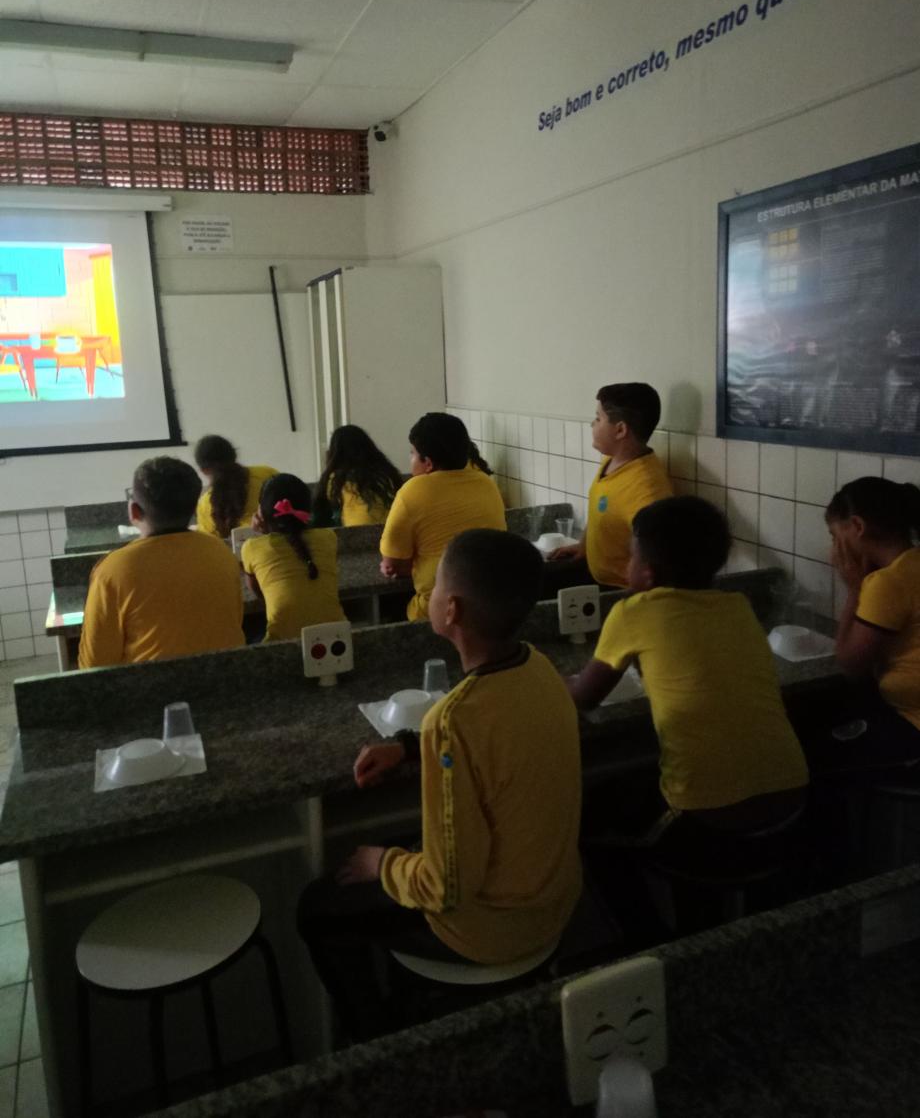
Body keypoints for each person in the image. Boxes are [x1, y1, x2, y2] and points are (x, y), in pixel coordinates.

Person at [297, 529, 582, 1040]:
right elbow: (495, 733)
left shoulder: (451, 723)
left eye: (435, 587)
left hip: (491, 929)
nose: (427, 594)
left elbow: (444, 886)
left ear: (451, 610)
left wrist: (381, 863)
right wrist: (409, 747)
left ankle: (376, 1044)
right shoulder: (539, 668)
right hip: (555, 902)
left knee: (319, 909)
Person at [570, 496, 808, 940]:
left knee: (586, 820)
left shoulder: (633, 611)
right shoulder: (738, 605)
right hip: (792, 808)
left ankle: (651, 943)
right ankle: (707, 933)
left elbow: (583, 698)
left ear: (648, 573)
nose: (626, 565)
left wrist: (550, 682)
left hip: (707, 823)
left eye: (632, 556)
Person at [78, 457, 244, 668]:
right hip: (228, 679)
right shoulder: (221, 552)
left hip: (154, 687)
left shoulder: (113, 571)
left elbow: (94, 665)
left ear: (134, 511)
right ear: (194, 508)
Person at [817, 476, 920, 768]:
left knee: (815, 745)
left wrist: (854, 589)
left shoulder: (888, 582)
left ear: (858, 526)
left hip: (912, 724)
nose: (834, 548)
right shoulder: (912, 564)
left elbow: (850, 664)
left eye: (835, 536)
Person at [379, 412, 506, 620]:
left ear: (428, 463)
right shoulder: (486, 483)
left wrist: (403, 566)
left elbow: (394, 565)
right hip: (489, 606)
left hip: (439, 612)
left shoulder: (412, 491)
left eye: (412, 453)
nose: (410, 460)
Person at [549, 383, 672, 586]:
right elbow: (599, 512)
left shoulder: (646, 488)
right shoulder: (612, 460)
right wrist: (584, 546)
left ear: (620, 430)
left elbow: (657, 559)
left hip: (619, 589)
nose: (592, 424)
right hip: (594, 572)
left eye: (598, 418)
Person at [240, 474, 345, 642]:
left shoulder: (251, 547)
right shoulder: (328, 537)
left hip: (282, 645)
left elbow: (258, 591)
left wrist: (263, 533)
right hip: (338, 638)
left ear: (262, 513)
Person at [315, 424, 404, 527]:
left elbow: (324, 509)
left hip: (355, 533)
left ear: (335, 452)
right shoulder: (387, 474)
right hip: (393, 531)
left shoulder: (337, 480)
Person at [193, 434, 278, 539]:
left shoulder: (205, 504)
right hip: (282, 545)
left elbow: (209, 543)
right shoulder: (267, 474)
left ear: (204, 470)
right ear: (234, 456)